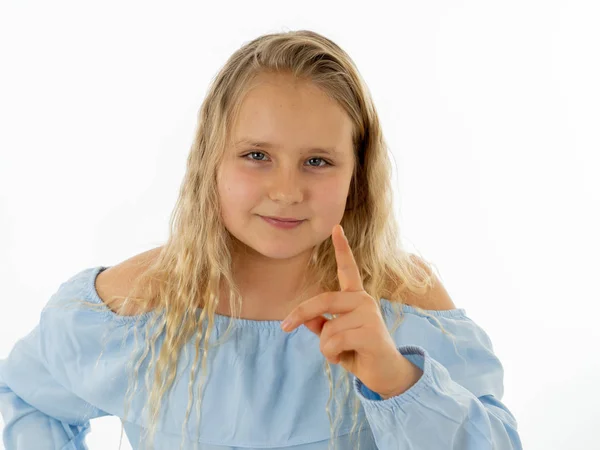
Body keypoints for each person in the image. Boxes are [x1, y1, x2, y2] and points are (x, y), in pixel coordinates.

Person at [0, 29, 523, 450]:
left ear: (356, 174)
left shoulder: (402, 300)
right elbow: (27, 398)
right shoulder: (136, 304)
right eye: (257, 156)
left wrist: (399, 381)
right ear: (213, 159)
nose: (287, 191)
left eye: (317, 162)